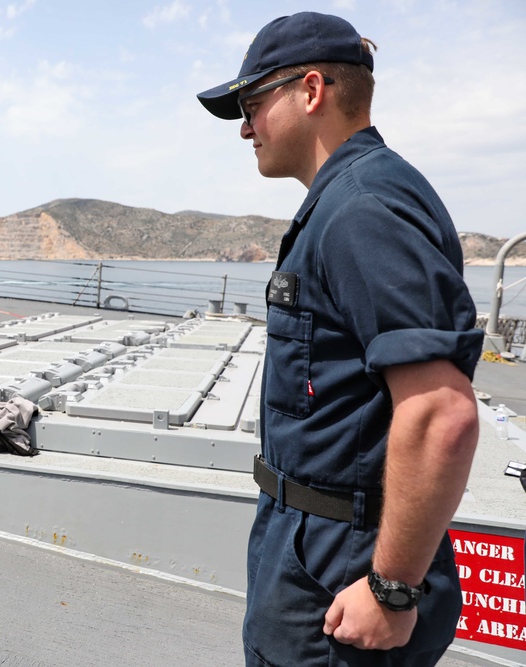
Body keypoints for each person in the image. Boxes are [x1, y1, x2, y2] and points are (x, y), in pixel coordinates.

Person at [197, 12, 482, 666]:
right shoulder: (350, 198)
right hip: (321, 544)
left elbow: (441, 411)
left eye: (251, 103)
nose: (244, 127)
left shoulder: (362, 208)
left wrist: (391, 588)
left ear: (313, 90)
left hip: (342, 561)